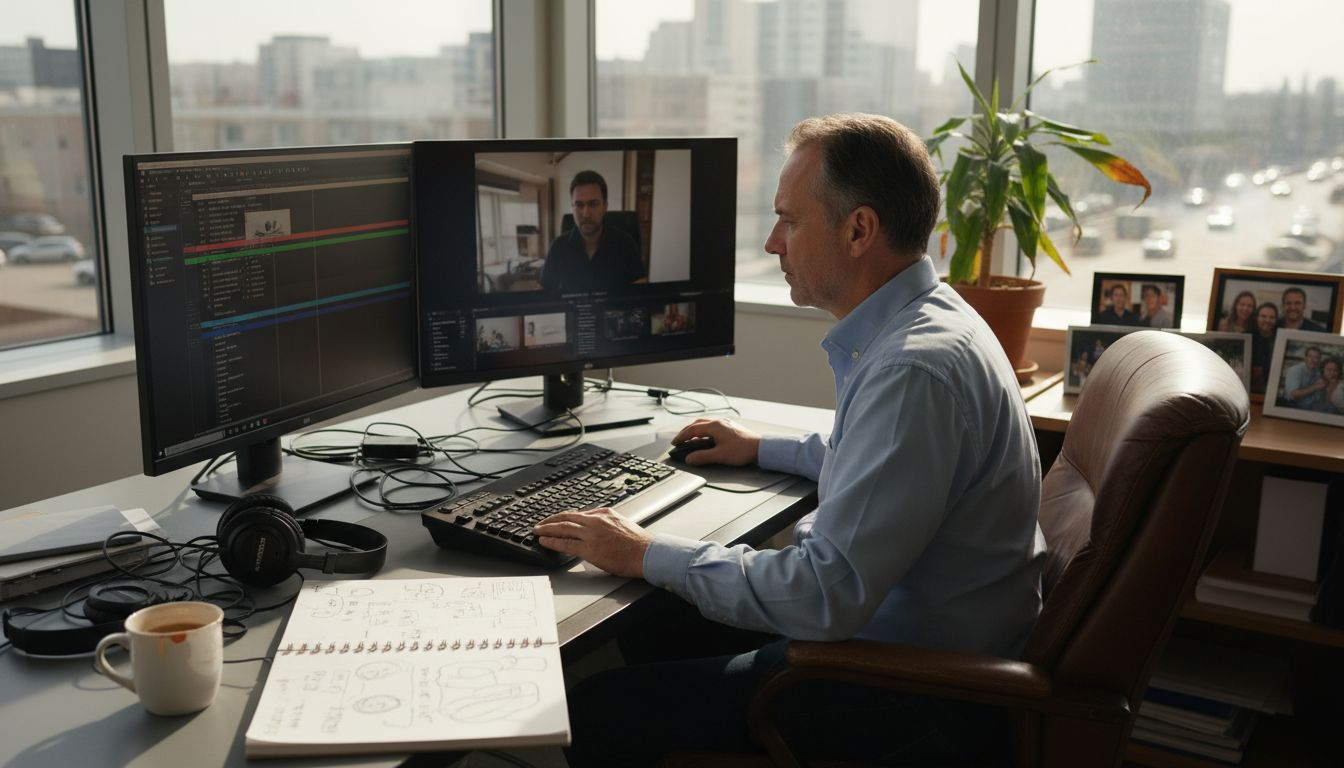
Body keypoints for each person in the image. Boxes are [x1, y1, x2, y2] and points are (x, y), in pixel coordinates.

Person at [533, 114, 1044, 766]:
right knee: (655, 617)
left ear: (859, 229)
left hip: (906, 690)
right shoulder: (930, 323)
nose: (774, 242)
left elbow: (823, 596)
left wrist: (645, 552)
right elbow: (886, 473)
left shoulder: (912, 370)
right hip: (911, 643)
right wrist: (762, 448)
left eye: (790, 220)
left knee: (595, 707)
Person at [539, 170, 646, 293]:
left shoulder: (626, 243)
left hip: (614, 311)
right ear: (572, 207)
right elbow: (543, 290)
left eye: (593, 204)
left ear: (605, 206)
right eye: (579, 205)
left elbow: (640, 291)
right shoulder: (558, 246)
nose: (586, 214)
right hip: (573, 312)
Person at [1250, 302, 1279, 394]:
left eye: (1271, 317)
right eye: (1263, 316)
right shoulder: (1247, 336)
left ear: (1276, 320)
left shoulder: (1280, 338)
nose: (1267, 320)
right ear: (1257, 318)